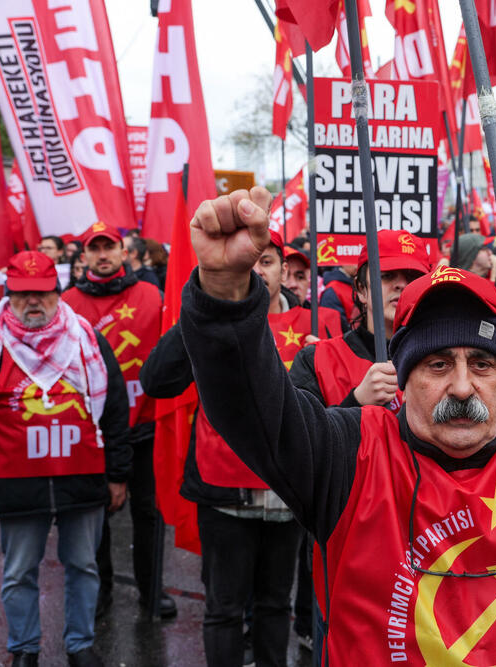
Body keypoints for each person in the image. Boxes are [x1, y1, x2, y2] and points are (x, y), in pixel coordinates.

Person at [177, 186, 496, 664]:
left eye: (482, 364)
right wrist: (225, 293)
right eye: (437, 365)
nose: (461, 387)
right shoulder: (348, 453)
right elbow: (251, 409)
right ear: (404, 377)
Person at [141, 228, 338, 667]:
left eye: (266, 262)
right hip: (224, 492)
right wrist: (203, 308)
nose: (256, 271)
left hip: (285, 492)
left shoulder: (316, 323)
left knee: (274, 605)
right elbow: (155, 380)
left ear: (283, 271)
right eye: (247, 263)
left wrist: (324, 365)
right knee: (224, 609)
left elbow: (341, 409)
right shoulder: (213, 319)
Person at [0, 251, 130, 667]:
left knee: (83, 566)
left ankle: (80, 645)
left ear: (57, 293)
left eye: (42, 293)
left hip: (81, 478)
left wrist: (118, 474)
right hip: (16, 483)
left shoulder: (87, 340)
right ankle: (24, 649)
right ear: (8, 295)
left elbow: (115, 408)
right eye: (23, 294)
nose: (33, 303)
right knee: (18, 572)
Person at [60, 222, 175, 620]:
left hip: (144, 427)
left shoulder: (150, 294)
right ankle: (101, 590)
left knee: (148, 515)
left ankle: (151, 590)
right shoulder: (68, 302)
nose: (103, 254)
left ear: (124, 252)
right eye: (96, 248)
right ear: (85, 256)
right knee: (95, 518)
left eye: (110, 246)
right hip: (92, 432)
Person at [319, 264, 358, 330]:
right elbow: (334, 328)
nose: (357, 265)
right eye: (353, 261)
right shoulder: (332, 290)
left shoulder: (355, 284)